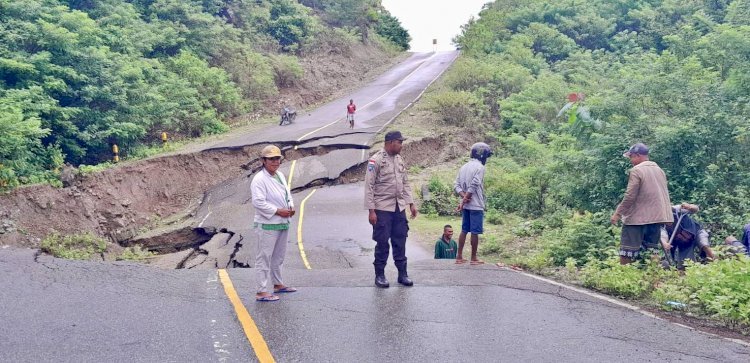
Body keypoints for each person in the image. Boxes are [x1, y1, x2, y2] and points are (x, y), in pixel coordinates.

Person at [364, 130, 418, 288]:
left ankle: (403, 274)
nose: (401, 145)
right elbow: (369, 186)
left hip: (398, 207)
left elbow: (405, 182)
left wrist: (411, 203)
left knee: (400, 240)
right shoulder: (376, 160)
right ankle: (380, 275)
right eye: (399, 142)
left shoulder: (400, 159)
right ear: (390, 142)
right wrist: (371, 210)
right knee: (382, 242)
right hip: (382, 209)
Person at [610, 143, 673, 265]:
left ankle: (623, 276)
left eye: (631, 157)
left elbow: (630, 195)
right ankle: (654, 278)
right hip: (657, 218)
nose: (631, 160)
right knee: (652, 250)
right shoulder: (659, 170)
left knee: (626, 250)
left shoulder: (637, 170)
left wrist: (618, 213)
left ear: (638, 156)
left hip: (637, 218)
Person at [251, 145, 296, 302]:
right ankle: (261, 291)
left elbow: (287, 193)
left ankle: (278, 284)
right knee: (264, 257)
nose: (275, 161)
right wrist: (278, 211)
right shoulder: (259, 179)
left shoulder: (280, 175)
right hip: (268, 223)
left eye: (277, 158)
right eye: (271, 159)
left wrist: (290, 207)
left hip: (283, 221)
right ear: (263, 161)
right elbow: (258, 203)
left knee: (278, 257)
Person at [453, 142, 492, 265]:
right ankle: (473, 258)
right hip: (476, 205)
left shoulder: (463, 167)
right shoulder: (480, 167)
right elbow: (475, 184)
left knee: (464, 230)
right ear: (482, 155)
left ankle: (459, 256)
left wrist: (463, 197)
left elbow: (456, 185)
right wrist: (466, 198)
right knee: (475, 232)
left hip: (466, 206)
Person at [660, 203, 715, 269]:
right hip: (684, 242)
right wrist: (665, 243)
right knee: (685, 265)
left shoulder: (677, 209)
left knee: (704, 245)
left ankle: (716, 263)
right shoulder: (662, 224)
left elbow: (695, 209)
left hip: (696, 232)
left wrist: (690, 206)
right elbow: (663, 236)